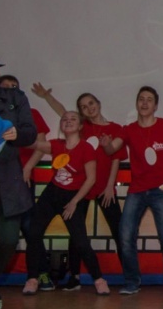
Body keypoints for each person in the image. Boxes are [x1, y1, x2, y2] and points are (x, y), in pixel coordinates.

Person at [30, 84, 126, 291]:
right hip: (80, 189)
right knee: (77, 235)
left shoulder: (116, 128)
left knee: (119, 231)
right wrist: (46, 96)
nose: (89, 108)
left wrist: (110, 186)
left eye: (91, 103)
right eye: (83, 107)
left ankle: (130, 276)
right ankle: (74, 277)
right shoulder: (81, 127)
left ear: (98, 103)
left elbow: (115, 157)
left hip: (104, 188)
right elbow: (63, 112)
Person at [102, 86, 163, 295]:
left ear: (155, 105)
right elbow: (111, 149)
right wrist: (106, 144)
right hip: (136, 190)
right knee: (125, 235)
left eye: (149, 100)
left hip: (162, 189)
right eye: (141, 99)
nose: (144, 103)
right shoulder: (128, 130)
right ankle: (132, 282)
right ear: (136, 103)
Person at [20, 111, 111, 296]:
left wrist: (74, 202)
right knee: (34, 233)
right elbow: (34, 144)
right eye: (64, 119)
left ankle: (99, 279)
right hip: (52, 193)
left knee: (81, 242)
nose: (68, 121)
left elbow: (91, 179)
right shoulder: (56, 144)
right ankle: (32, 279)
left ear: (80, 126)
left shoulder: (86, 148)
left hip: (73, 197)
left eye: (73, 119)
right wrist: (13, 134)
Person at [0, 75, 52, 290]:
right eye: (5, 86)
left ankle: (39, 273)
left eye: (13, 86)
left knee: (25, 231)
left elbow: (38, 140)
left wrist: (27, 167)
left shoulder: (26, 109)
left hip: (19, 180)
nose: (10, 89)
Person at [0, 77, 37, 309]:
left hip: (8, 184)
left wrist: (17, 134)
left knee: (9, 240)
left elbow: (30, 133)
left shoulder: (16, 97)